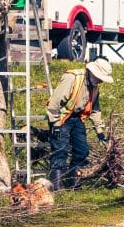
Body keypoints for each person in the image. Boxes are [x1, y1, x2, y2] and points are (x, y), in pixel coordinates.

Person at [46, 57, 113, 190]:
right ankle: (56, 187)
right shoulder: (72, 78)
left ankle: (73, 183)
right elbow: (55, 102)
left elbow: (95, 109)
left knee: (82, 151)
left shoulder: (95, 87)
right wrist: (55, 123)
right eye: (99, 77)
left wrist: (100, 133)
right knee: (60, 151)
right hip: (62, 117)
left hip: (78, 118)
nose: (100, 81)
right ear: (92, 72)